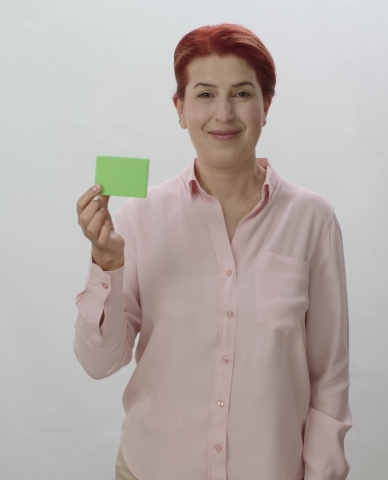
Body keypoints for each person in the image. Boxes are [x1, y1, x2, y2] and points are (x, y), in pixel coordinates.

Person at [74, 23, 352, 480]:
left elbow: (330, 376)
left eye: (242, 94)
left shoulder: (312, 220)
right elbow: (98, 363)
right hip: (152, 468)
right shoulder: (140, 216)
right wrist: (106, 265)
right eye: (204, 95)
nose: (223, 113)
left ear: (267, 105)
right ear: (180, 109)